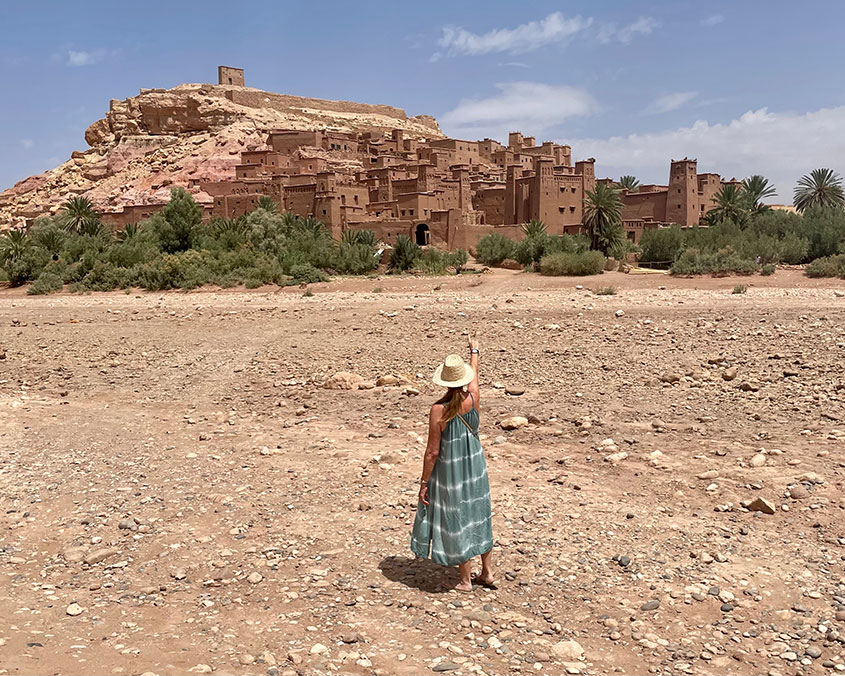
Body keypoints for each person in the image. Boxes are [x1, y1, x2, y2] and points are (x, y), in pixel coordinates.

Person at [410, 336, 494, 592]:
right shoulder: (474, 398)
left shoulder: (439, 409)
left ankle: (466, 580)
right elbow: (475, 377)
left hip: (452, 469)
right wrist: (475, 351)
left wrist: (424, 483)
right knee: (478, 513)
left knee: (457, 516)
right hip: (475, 465)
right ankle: (487, 572)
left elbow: (433, 451)